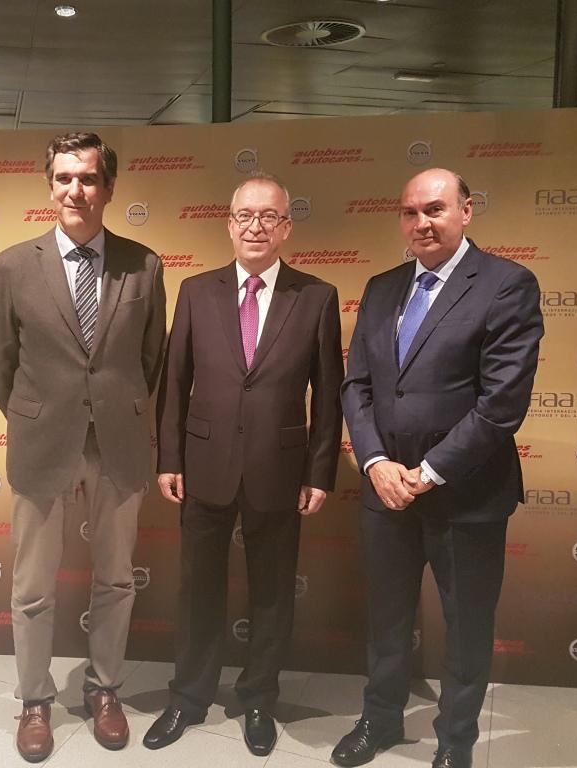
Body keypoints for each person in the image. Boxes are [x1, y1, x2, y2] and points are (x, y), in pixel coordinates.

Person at [336, 168, 543, 768]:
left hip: (467, 495)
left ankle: (456, 741)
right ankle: (380, 720)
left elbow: (501, 404)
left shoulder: (506, 284)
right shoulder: (382, 287)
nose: (421, 223)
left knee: (467, 627)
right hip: (385, 492)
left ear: (466, 211)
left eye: (434, 209)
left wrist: (427, 473)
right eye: (410, 212)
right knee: (387, 620)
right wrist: (376, 463)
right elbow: (357, 386)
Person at [0, 132, 166, 761]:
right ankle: (35, 700)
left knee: (115, 579)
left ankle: (105, 689)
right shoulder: (13, 266)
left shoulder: (144, 265)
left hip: (119, 444)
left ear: (108, 188)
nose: (75, 190)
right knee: (32, 586)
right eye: (64, 178)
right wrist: (37, 416)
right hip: (42, 445)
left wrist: (114, 408)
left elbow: (152, 358)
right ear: (50, 185)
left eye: (87, 178)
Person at [145, 173, 343, 757]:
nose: (256, 226)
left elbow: (328, 394)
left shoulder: (317, 296)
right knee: (197, 590)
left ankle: (259, 699)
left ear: (286, 227)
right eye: (245, 216)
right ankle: (188, 697)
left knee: (273, 593)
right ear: (229, 224)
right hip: (203, 464)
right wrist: (169, 458)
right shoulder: (195, 291)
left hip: (279, 468)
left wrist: (319, 471)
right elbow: (174, 382)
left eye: (269, 216)